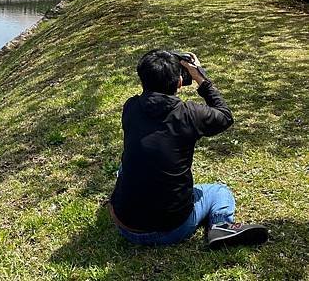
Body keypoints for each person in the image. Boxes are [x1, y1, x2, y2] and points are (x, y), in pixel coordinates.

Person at [109, 50, 268, 248]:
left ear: (142, 79)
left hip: (125, 225)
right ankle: (221, 225)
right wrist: (199, 77)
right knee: (218, 191)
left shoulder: (130, 107)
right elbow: (225, 116)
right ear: (178, 83)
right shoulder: (190, 114)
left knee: (126, 167)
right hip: (171, 229)